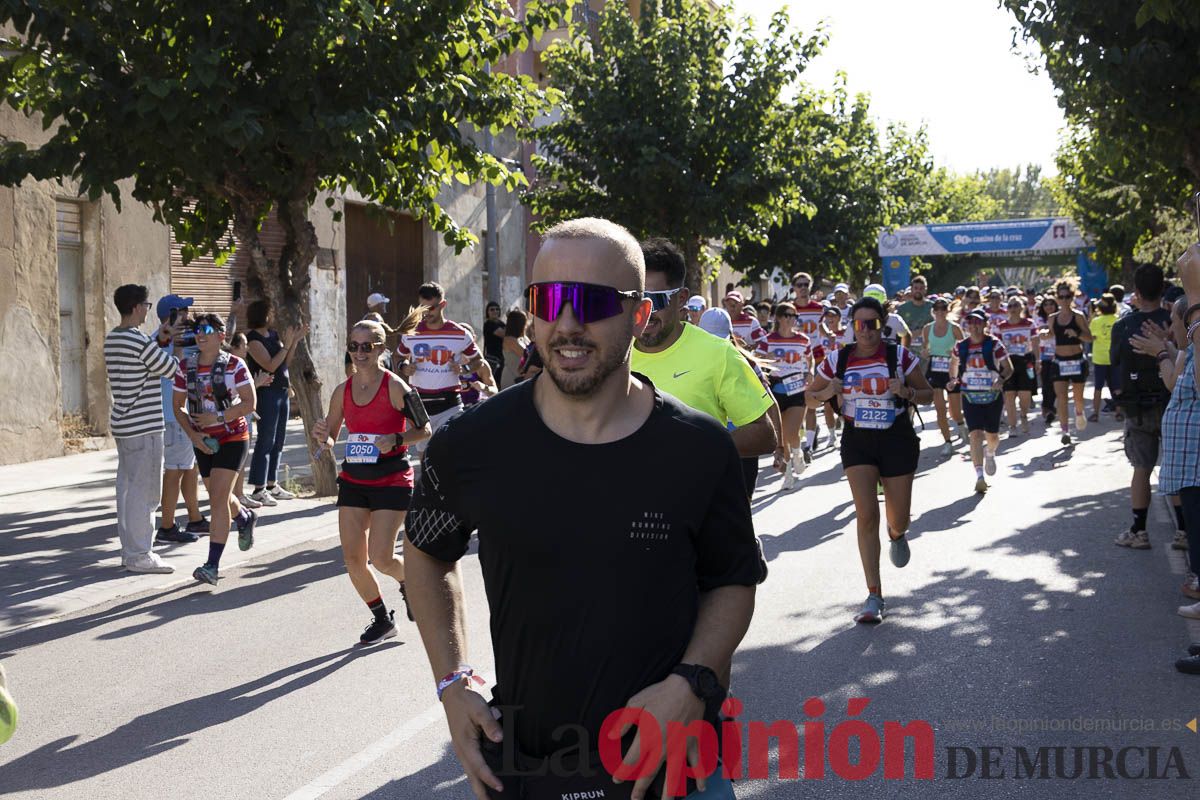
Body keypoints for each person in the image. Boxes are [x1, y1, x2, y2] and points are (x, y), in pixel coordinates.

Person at [405, 217, 761, 799]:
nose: (567, 325)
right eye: (549, 301)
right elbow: (426, 554)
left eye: (592, 303)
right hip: (529, 767)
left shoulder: (698, 448)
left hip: (671, 768)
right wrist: (453, 682)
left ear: (641, 317)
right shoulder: (472, 445)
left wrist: (692, 681)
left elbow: (733, 581)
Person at [805, 297, 933, 623]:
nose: (866, 332)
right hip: (857, 440)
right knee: (865, 514)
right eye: (860, 325)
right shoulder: (838, 359)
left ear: (882, 324)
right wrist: (826, 392)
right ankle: (874, 595)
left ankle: (898, 534)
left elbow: (929, 393)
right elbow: (809, 396)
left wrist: (906, 392)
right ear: (852, 327)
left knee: (898, 518)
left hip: (897, 438)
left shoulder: (898, 355)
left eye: (872, 324)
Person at [311, 319, 432, 643]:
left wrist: (397, 438)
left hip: (392, 479)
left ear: (380, 348)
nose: (359, 352)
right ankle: (382, 618)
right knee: (353, 559)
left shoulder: (396, 387)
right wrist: (323, 439)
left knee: (380, 557)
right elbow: (333, 437)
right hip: (355, 479)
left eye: (367, 346)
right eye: (354, 346)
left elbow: (425, 428)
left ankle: (408, 581)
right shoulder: (343, 390)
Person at [630, 239, 778, 486]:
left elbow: (765, 434)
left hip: (698, 504)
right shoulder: (613, 354)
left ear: (681, 299)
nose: (646, 312)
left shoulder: (718, 353)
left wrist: (696, 449)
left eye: (655, 301)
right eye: (637, 300)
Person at [170, 313, 259, 585]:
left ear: (222, 335)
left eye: (207, 329)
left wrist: (218, 418)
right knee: (220, 495)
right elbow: (178, 406)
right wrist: (194, 437)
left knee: (218, 500)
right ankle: (244, 517)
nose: (200, 333)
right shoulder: (186, 367)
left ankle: (212, 565)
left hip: (233, 437)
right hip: (203, 441)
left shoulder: (235, 365)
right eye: (197, 329)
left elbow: (249, 403)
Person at [104, 285, 185, 574]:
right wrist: (172, 342)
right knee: (146, 492)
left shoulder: (113, 339)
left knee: (126, 490)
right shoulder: (138, 340)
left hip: (125, 425)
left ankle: (131, 551)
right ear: (137, 307)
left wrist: (160, 341)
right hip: (145, 426)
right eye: (147, 306)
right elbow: (171, 368)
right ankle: (141, 554)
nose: (148, 312)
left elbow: (147, 364)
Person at [1110, 265, 1175, 550]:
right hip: (1172, 401)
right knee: (1174, 468)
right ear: (1163, 289)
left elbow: (1114, 363)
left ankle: (1139, 531)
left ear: (1135, 292)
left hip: (1137, 408)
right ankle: (1184, 532)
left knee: (1141, 468)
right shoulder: (1174, 322)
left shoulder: (1123, 325)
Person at [395, 282, 486, 452]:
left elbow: (478, 361)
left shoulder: (460, 334)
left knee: (449, 452)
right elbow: (399, 356)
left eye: (431, 308)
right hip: (419, 403)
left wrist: (464, 370)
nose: (426, 313)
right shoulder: (411, 332)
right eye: (422, 308)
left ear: (442, 305)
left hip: (449, 403)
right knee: (424, 455)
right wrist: (404, 366)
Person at [153, 295, 205, 544]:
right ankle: (167, 526)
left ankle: (194, 517)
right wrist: (175, 344)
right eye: (183, 311)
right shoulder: (161, 341)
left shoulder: (181, 339)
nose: (188, 315)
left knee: (188, 469)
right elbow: (172, 367)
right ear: (171, 315)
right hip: (173, 416)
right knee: (174, 471)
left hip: (184, 414)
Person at [244, 299, 305, 506]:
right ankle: (259, 488)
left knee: (279, 440)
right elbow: (270, 365)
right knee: (266, 439)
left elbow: (284, 363)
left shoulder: (274, 336)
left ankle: (272, 483)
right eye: (271, 312)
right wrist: (286, 345)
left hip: (281, 390)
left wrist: (294, 342)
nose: (274, 316)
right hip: (266, 393)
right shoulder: (252, 339)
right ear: (263, 314)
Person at [950, 310, 1013, 494]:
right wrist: (954, 379)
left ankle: (991, 452)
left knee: (992, 436)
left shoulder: (994, 344)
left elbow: (1008, 368)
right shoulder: (960, 346)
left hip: (992, 396)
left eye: (978, 322)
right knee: (975, 434)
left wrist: (1000, 380)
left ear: (985, 324)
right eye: (970, 323)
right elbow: (953, 363)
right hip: (970, 396)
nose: (974, 326)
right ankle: (979, 477)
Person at [765, 302, 814, 491]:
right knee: (781, 437)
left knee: (791, 432)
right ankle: (787, 476)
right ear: (778, 317)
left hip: (796, 390)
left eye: (795, 316)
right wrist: (767, 360)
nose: (792, 319)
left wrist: (809, 371)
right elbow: (756, 363)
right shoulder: (768, 340)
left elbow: (809, 360)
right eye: (788, 315)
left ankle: (797, 451)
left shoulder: (803, 340)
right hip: (776, 390)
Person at [227, 332, 275, 509]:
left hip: (241, 415)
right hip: (237, 416)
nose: (247, 348)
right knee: (239, 457)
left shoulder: (238, 364)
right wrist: (257, 384)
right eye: (243, 344)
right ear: (234, 347)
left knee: (240, 457)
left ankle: (236, 493)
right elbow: (236, 394)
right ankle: (238, 494)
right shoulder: (232, 365)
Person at [1046, 280, 1093, 445]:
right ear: (1057, 298)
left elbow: (1089, 337)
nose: (1064, 299)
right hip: (1060, 361)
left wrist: (1077, 333)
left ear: (1072, 297)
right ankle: (1065, 431)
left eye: (1068, 296)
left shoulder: (1078, 316)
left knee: (1078, 398)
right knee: (1061, 398)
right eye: (1061, 296)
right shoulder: (1052, 318)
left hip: (1076, 360)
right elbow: (1051, 334)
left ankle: (1079, 413)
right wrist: (1044, 334)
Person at [921, 295, 966, 455]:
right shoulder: (927, 329)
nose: (940, 312)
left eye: (943, 308)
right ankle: (947, 442)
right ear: (933, 311)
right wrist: (925, 353)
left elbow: (965, 349)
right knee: (940, 409)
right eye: (937, 309)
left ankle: (960, 424)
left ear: (947, 311)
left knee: (955, 410)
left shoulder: (954, 328)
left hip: (951, 370)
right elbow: (925, 350)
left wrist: (954, 353)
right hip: (934, 369)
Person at [997, 297, 1037, 436]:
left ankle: (1024, 415)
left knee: (1025, 393)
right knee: (1009, 395)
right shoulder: (1001, 326)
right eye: (1010, 306)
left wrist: (1038, 361)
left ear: (1021, 307)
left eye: (1016, 305)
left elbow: (1035, 343)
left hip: (1026, 361)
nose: (1013, 308)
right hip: (1008, 362)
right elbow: (996, 347)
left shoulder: (1030, 324)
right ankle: (1012, 426)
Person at [1089, 293, 1122, 421]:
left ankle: (1095, 413)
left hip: (1100, 358)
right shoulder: (1118, 319)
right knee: (1117, 386)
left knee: (1098, 387)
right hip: (1115, 357)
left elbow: (1091, 337)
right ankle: (1119, 412)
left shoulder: (1096, 321)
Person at [897, 275, 934, 364]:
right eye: (916, 288)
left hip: (926, 353)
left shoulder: (932, 307)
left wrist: (922, 331)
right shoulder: (902, 309)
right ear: (911, 289)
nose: (918, 290)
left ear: (925, 289)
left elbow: (938, 327)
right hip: (907, 352)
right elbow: (897, 330)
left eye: (921, 288)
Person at [1035, 296, 1060, 424]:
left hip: (1058, 354)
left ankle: (1050, 407)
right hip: (1044, 356)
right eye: (1046, 304)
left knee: (1056, 383)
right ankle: (1048, 408)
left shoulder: (1060, 318)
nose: (1049, 307)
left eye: (1051, 304)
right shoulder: (1039, 319)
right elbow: (1040, 333)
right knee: (1046, 384)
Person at [500, 309, 530, 389]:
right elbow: (527, 355)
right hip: (511, 378)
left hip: (522, 379)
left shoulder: (524, 338)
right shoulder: (509, 340)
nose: (527, 324)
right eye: (525, 321)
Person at [482, 301, 506, 379]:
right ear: (487, 312)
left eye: (497, 309)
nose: (495, 311)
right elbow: (504, 334)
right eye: (492, 310)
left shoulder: (501, 323)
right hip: (493, 357)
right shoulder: (488, 324)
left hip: (502, 357)